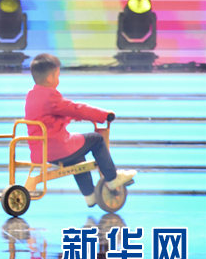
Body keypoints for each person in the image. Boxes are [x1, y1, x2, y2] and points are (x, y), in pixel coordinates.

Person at [25, 53, 136, 207]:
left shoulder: (31, 95)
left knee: (77, 156)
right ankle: (112, 178)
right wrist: (103, 115)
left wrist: (69, 117)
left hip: (41, 150)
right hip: (57, 148)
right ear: (50, 78)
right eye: (58, 75)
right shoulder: (51, 95)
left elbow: (50, 116)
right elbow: (76, 108)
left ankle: (90, 195)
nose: (58, 79)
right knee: (97, 139)